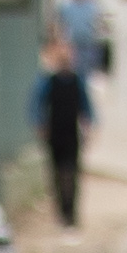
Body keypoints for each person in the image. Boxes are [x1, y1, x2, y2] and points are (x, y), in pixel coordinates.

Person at [33, 31, 96, 233]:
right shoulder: (48, 81)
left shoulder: (78, 81)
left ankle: (72, 215)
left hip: (71, 132)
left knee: (72, 173)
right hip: (55, 133)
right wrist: (41, 125)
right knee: (57, 174)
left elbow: (87, 108)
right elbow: (37, 105)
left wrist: (89, 126)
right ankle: (61, 214)